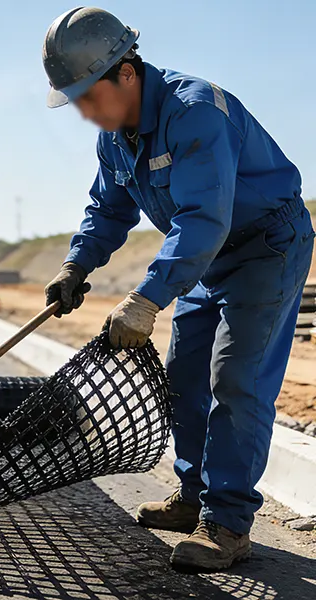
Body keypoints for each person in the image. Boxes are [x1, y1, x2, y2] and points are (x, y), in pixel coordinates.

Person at [41, 7, 314, 572]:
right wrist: (75, 266)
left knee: (235, 379)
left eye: (90, 96)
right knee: (183, 375)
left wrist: (145, 299)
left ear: (127, 72)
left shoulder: (194, 113)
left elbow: (201, 220)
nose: (87, 113)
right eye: (78, 101)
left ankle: (228, 522)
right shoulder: (115, 139)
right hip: (205, 258)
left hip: (265, 246)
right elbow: (107, 210)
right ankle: (192, 499)